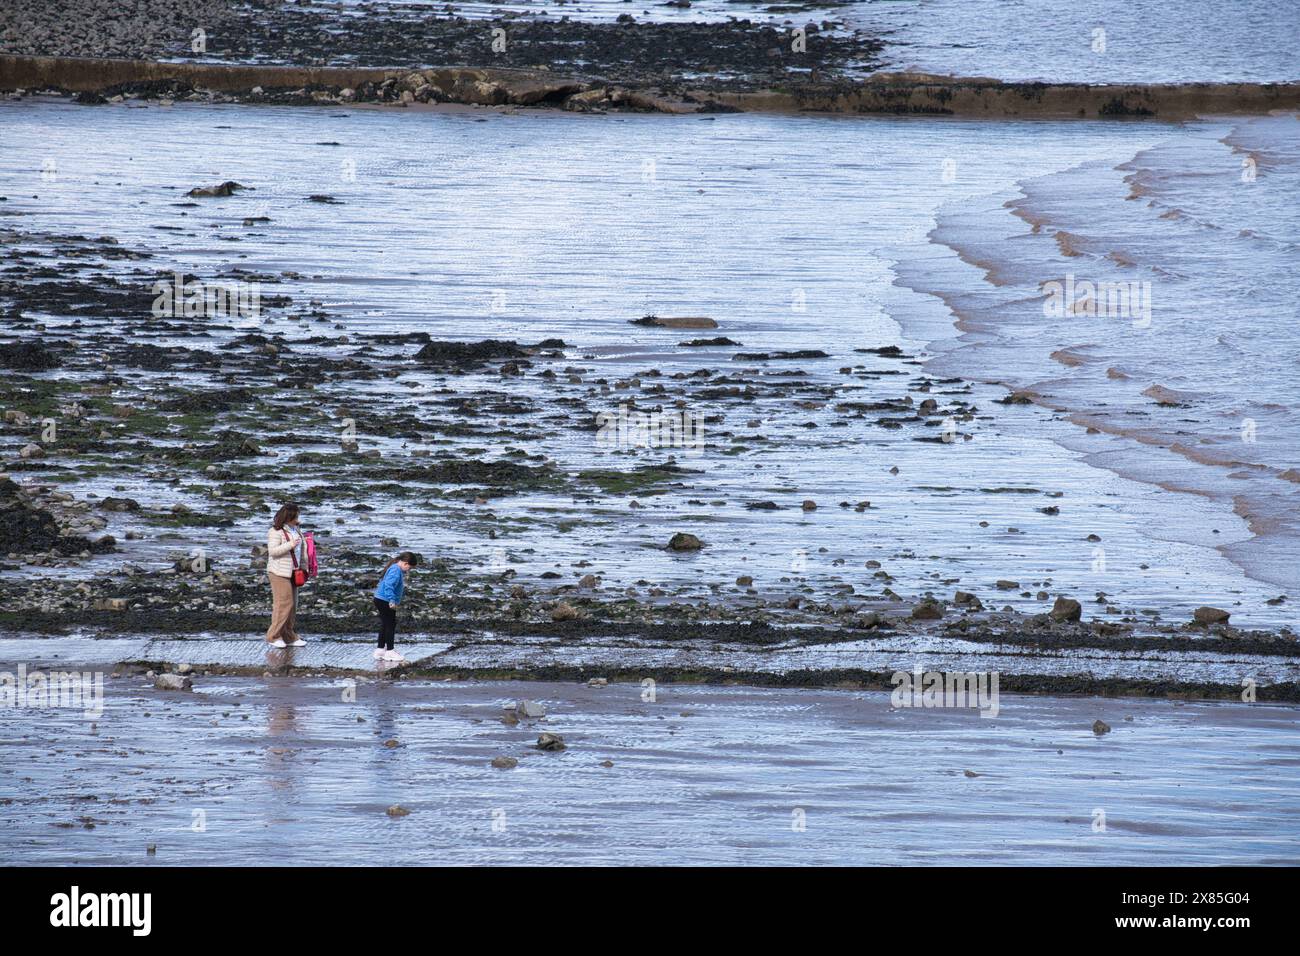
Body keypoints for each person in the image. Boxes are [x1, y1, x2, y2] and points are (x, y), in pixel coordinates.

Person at [266, 503, 306, 648]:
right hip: (278, 572)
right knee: (283, 604)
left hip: (294, 572)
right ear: (289, 517)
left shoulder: (296, 529)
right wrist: (290, 544)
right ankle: (273, 636)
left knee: (293, 605)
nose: (298, 519)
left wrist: (305, 566)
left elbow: (302, 550)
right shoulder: (275, 531)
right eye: (296, 516)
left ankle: (289, 636)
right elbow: (273, 551)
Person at [374, 552, 418, 661]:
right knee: (390, 625)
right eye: (410, 568)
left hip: (380, 599)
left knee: (385, 624)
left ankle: (380, 650)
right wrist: (392, 600)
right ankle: (390, 651)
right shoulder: (396, 570)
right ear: (405, 563)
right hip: (385, 600)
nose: (409, 570)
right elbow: (389, 585)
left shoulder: (394, 568)